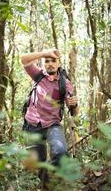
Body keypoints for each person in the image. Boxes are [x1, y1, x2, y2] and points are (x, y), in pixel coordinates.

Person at [21, 49, 78, 189]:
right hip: (32, 124)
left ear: (59, 63)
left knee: (61, 152)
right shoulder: (38, 75)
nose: (50, 64)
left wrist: (74, 104)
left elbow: (74, 113)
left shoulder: (65, 83)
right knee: (39, 166)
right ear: (43, 63)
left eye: (53, 61)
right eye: (47, 61)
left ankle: (52, 182)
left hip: (53, 125)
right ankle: (46, 186)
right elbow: (23, 59)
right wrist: (45, 53)